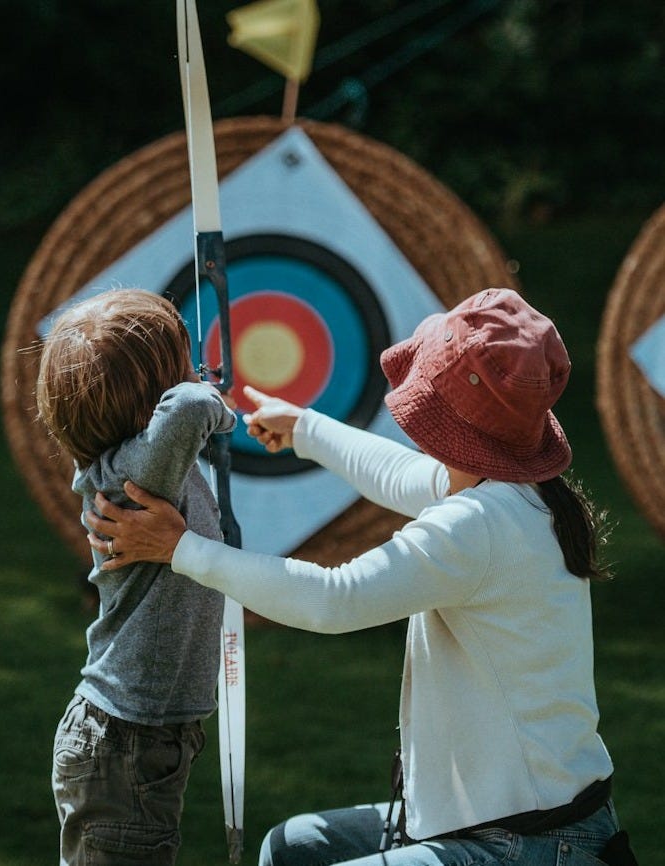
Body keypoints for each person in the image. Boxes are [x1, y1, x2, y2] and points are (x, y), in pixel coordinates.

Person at [86, 288, 637, 866]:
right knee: (294, 847)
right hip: (495, 817)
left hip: (534, 840)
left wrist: (180, 549)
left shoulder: (480, 524)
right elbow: (405, 475)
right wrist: (306, 428)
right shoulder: (517, 493)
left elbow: (334, 600)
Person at [36, 288, 236, 866]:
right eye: (183, 366)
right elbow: (192, 410)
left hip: (141, 736)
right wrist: (217, 402)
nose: (195, 375)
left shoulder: (139, 461)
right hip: (127, 742)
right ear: (158, 396)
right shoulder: (137, 474)